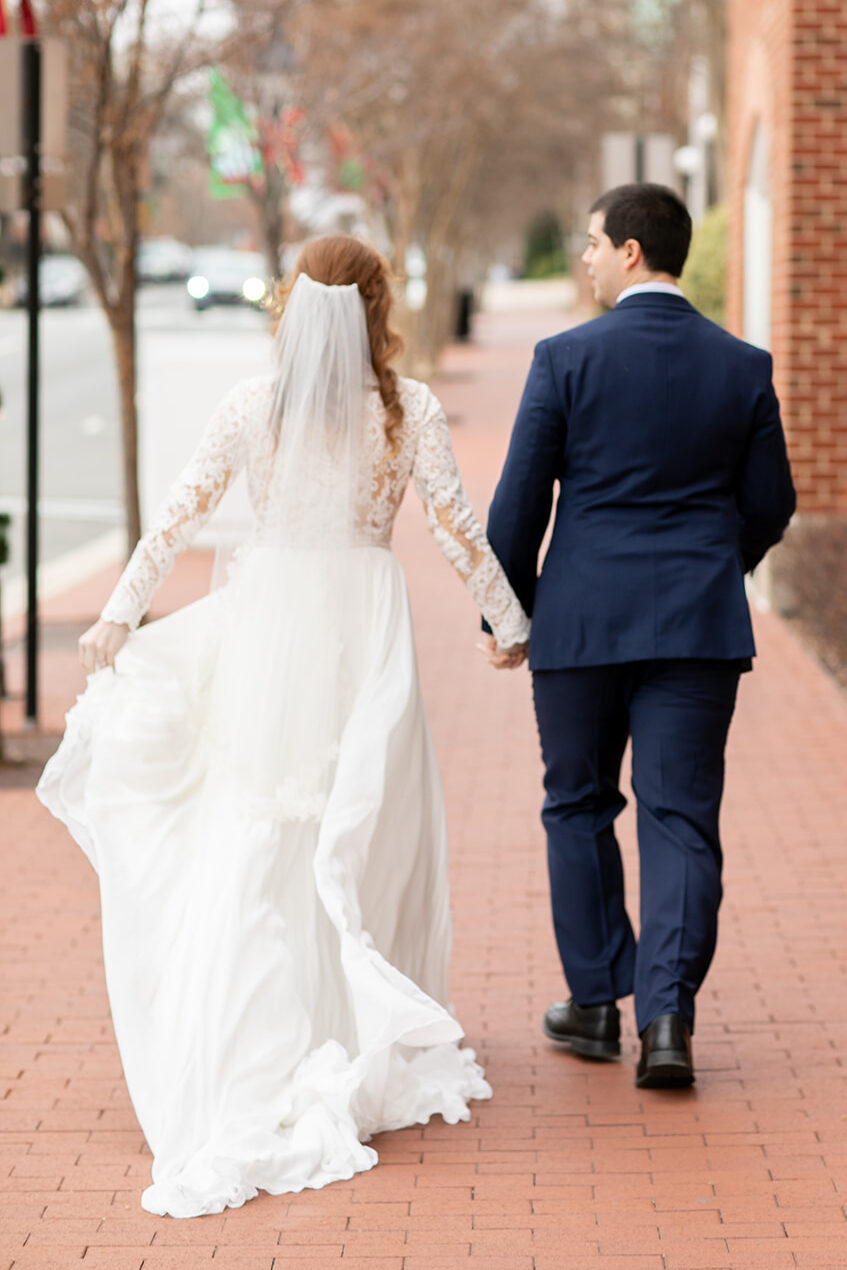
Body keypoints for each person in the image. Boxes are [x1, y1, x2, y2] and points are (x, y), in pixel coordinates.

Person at [37, 235, 530, 1217]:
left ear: (292, 313)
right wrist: (511, 621)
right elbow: (454, 528)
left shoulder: (248, 407)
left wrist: (118, 613)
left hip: (269, 623)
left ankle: (270, 1030)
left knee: (264, 825)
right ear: (380, 305)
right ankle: (347, 1029)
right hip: (363, 625)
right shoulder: (409, 408)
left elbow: (176, 517)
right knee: (363, 822)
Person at [484, 183, 795, 1088]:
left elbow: (518, 504)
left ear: (628, 251)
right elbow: (770, 506)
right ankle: (665, 1020)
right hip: (697, 628)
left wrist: (506, 615)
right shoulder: (742, 364)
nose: (582, 257)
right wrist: (710, 568)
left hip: (580, 626)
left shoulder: (564, 359)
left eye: (589, 243)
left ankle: (591, 1004)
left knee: (577, 804)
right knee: (681, 818)